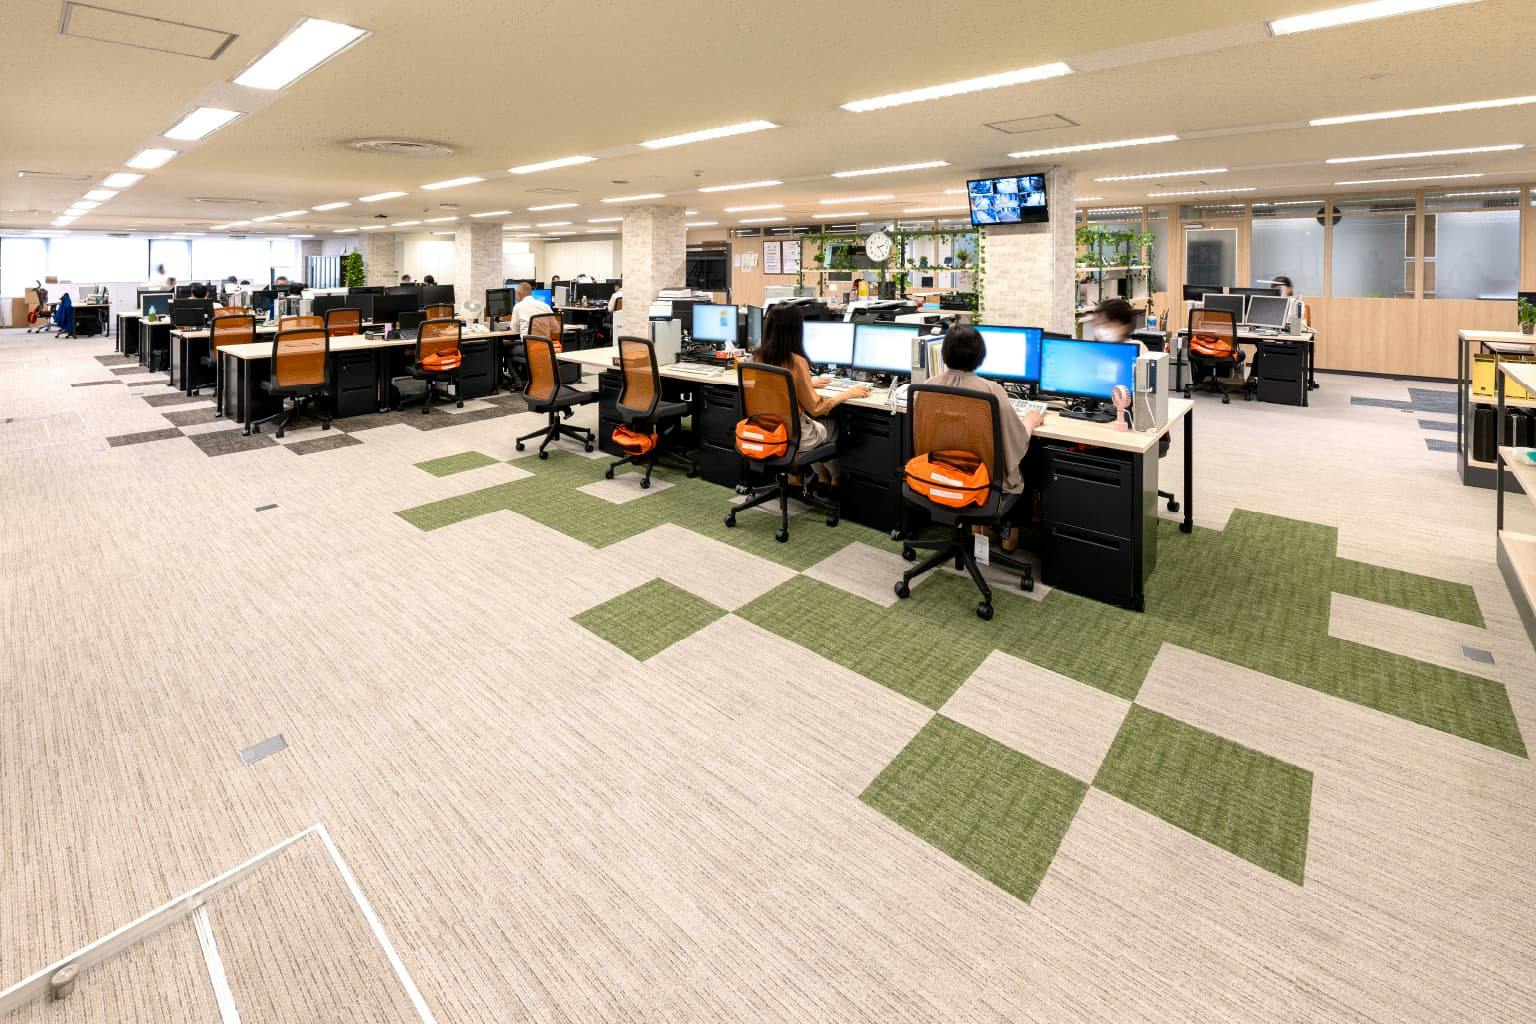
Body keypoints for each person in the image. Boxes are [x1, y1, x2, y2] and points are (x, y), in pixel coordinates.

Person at [753, 303, 870, 488]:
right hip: (796, 437)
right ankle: (835, 478)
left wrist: (803, 383)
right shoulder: (796, 362)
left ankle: (821, 477)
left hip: (769, 431)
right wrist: (847, 394)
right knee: (834, 427)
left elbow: (774, 388)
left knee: (813, 425)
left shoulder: (758, 357)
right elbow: (816, 408)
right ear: (795, 331)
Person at [927, 324, 1041, 496]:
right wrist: (1030, 421)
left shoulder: (927, 387)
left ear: (943, 354)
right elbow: (1015, 443)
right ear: (980, 356)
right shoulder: (991, 391)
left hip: (938, 476)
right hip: (982, 482)